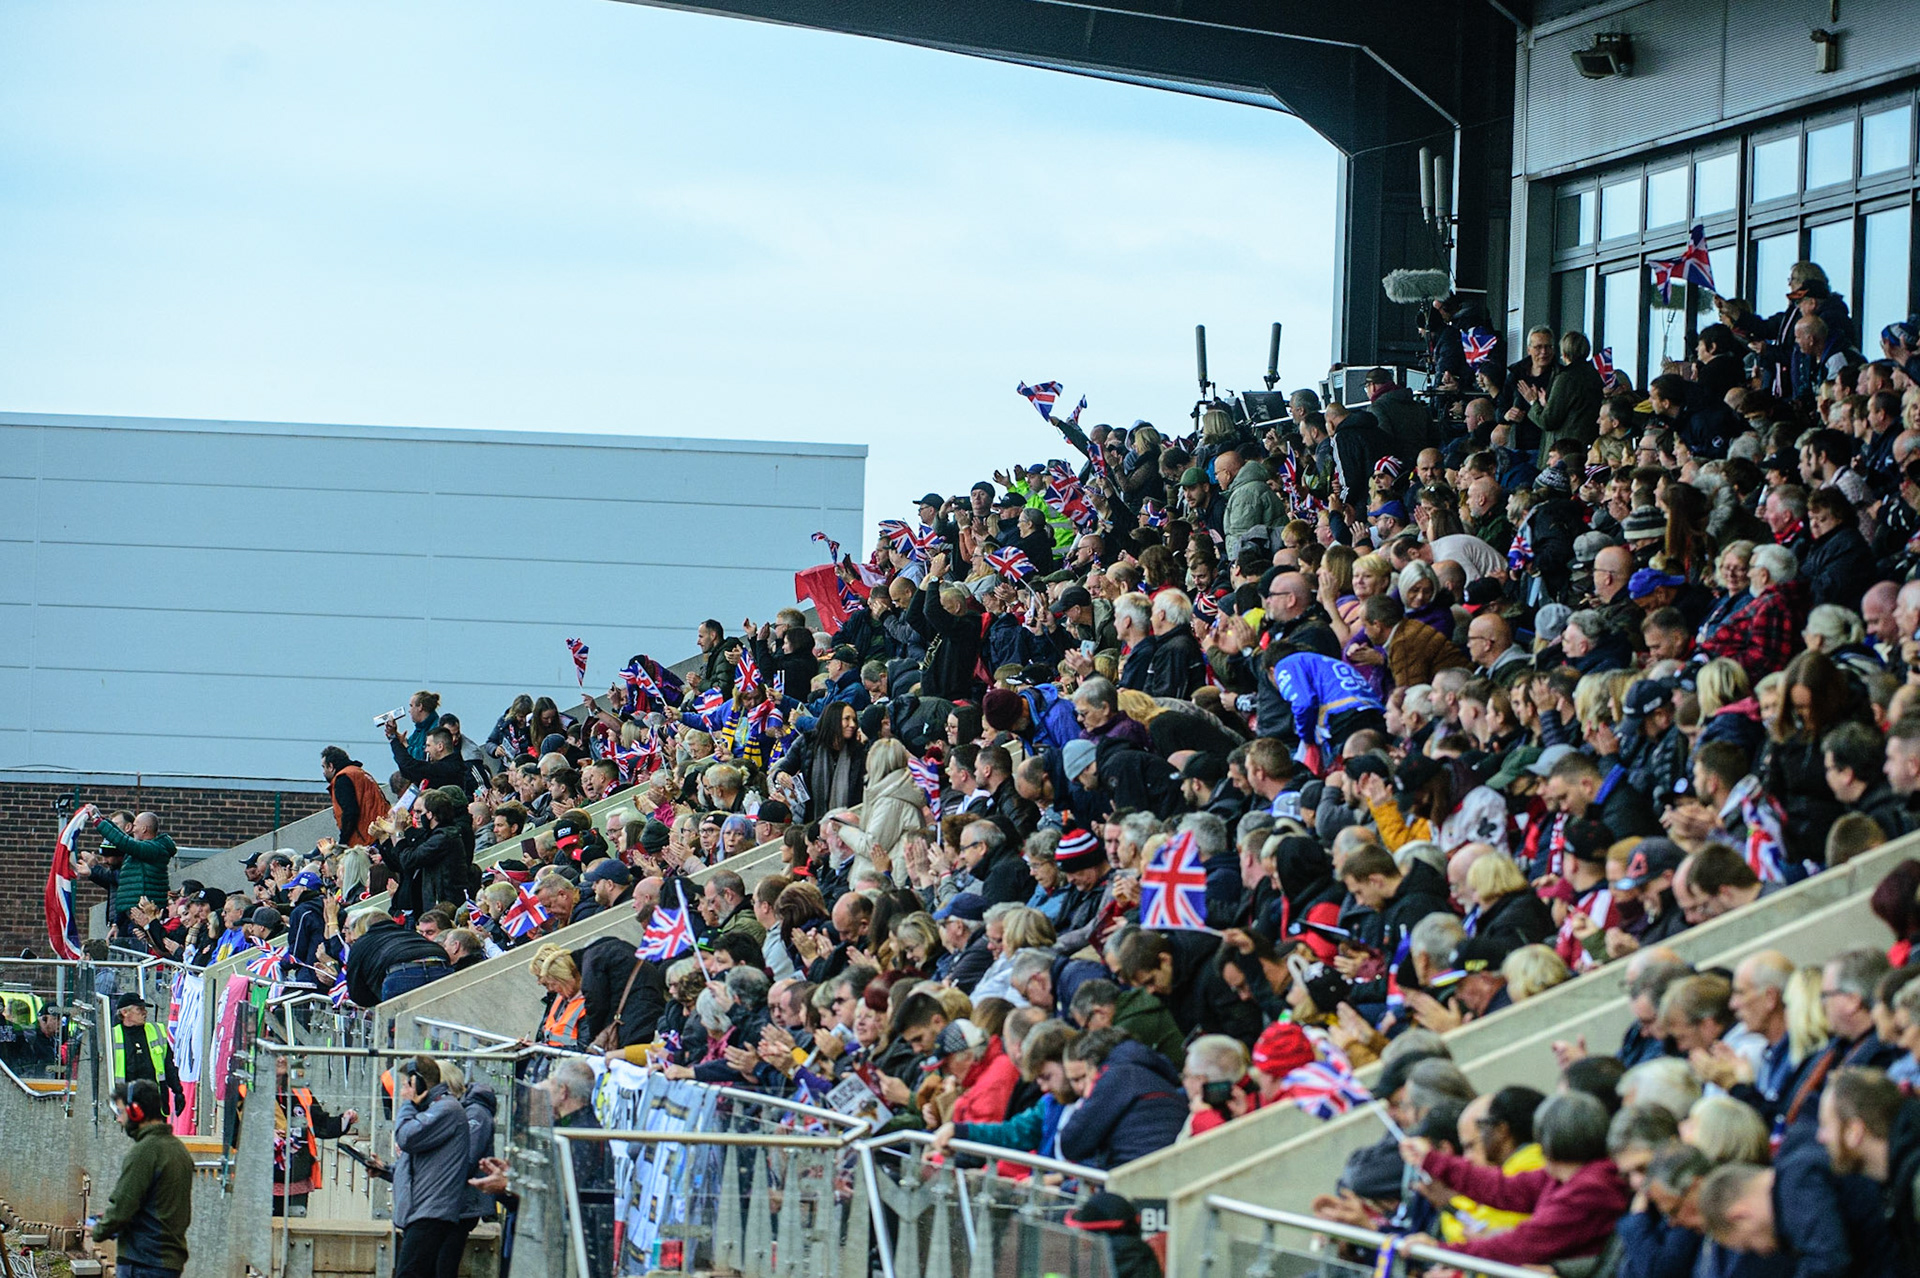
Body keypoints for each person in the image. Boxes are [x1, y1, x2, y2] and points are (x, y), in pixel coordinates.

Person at [94, 1079, 194, 1278]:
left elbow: (124, 1205)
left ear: (136, 1112)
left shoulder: (145, 1151)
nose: (119, 1120)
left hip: (142, 1262)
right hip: (167, 1263)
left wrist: (99, 1229)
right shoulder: (179, 1150)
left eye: (121, 1112)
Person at [391, 1055, 473, 1278]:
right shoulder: (433, 1109)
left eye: (407, 1084)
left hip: (431, 1212)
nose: (402, 1090)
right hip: (421, 1210)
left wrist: (408, 1103)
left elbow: (406, 1137)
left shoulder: (446, 1110)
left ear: (417, 1083)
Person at [109, 993, 185, 1118]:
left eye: (144, 1009)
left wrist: (178, 1091)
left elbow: (169, 1065)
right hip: (127, 1104)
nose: (144, 1013)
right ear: (124, 1012)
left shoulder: (157, 1031)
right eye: (139, 1009)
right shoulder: (112, 1036)